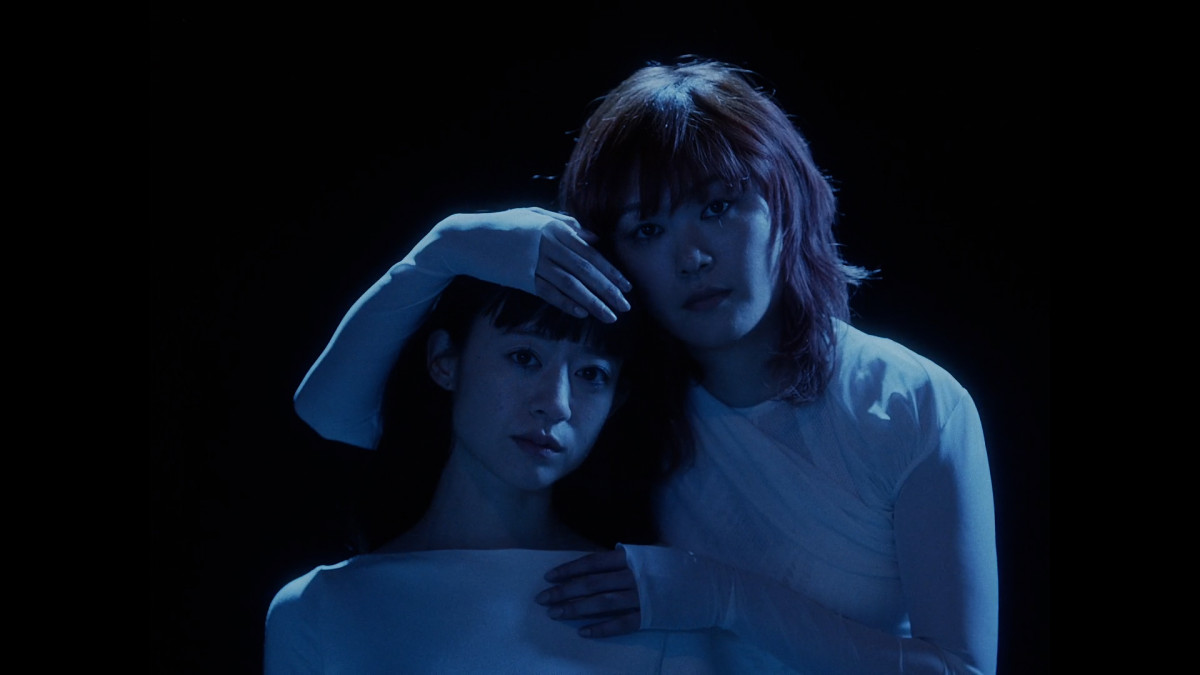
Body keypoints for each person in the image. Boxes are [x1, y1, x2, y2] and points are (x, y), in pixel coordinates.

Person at [291, 57, 999, 674]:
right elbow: (330, 412)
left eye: (717, 207)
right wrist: (443, 249)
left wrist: (726, 597)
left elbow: (963, 669)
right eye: (648, 228)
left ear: (783, 204)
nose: (692, 256)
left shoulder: (908, 401)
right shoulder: (612, 394)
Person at [266, 276, 756, 673]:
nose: (557, 404)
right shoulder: (319, 608)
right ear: (445, 361)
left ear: (616, 400)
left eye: (591, 374)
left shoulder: (647, 601)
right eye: (525, 357)